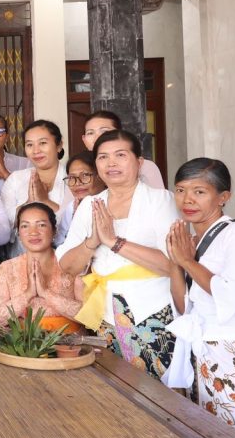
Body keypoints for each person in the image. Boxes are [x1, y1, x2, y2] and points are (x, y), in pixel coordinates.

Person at [56, 130, 181, 379]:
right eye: (103, 157)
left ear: (139, 162)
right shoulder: (90, 205)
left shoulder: (160, 200)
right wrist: (92, 242)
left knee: (158, 388)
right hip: (105, 313)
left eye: (120, 155)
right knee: (114, 387)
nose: (111, 163)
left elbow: (173, 264)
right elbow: (68, 266)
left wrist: (114, 242)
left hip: (153, 309)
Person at [163, 159, 235, 438]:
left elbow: (230, 293)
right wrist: (175, 261)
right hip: (203, 351)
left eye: (199, 192)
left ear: (223, 197)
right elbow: (184, 307)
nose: (187, 199)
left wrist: (188, 262)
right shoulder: (192, 240)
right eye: (180, 190)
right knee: (212, 435)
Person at [0, 203, 83, 331]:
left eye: (41, 225)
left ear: (54, 230)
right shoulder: (7, 268)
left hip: (72, 341)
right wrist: (28, 294)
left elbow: (89, 315)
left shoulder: (74, 263)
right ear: (19, 233)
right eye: (25, 226)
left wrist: (46, 293)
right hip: (23, 342)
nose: (33, 232)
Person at [0, 120, 74, 255]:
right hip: (21, 258)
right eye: (29, 145)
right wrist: (28, 203)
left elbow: (74, 223)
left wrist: (45, 201)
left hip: (64, 258)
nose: (36, 151)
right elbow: (4, 226)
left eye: (43, 143)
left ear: (59, 145)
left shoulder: (72, 179)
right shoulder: (16, 179)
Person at [81, 110, 163, 187]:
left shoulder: (144, 166)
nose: (97, 137)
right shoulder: (78, 169)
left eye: (105, 131)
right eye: (90, 133)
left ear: (119, 133)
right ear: (84, 140)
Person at [57, 151, 107, 243]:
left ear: (101, 176)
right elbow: (60, 243)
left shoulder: (114, 203)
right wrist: (75, 220)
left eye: (84, 175)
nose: (77, 183)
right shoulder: (71, 208)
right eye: (71, 178)